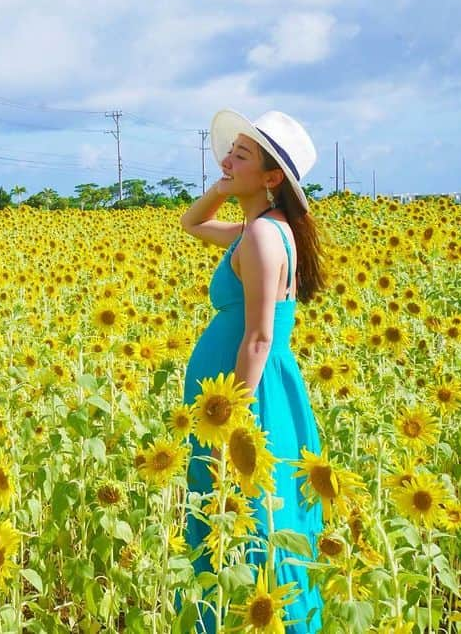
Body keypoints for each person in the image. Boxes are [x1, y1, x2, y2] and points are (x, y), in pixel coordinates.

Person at [179, 109, 327, 632]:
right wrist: (222, 185)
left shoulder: (264, 237)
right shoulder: (257, 229)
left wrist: (232, 421)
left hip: (250, 400)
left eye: (241, 155)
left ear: (272, 178)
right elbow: (192, 223)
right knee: (243, 516)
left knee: (246, 519)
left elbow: (260, 338)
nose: (227, 159)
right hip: (249, 395)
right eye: (230, 151)